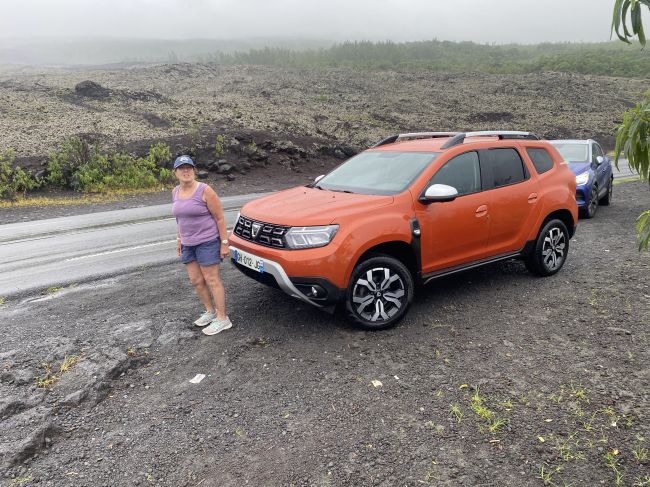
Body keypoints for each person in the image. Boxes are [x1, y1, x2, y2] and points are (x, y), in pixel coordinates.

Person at [171, 155, 232, 336]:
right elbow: (179, 219)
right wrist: (179, 239)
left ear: (194, 170)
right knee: (196, 281)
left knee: (212, 280)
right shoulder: (175, 191)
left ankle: (222, 319)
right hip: (188, 244)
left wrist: (224, 243)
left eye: (189, 167)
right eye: (181, 168)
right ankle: (210, 312)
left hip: (207, 241)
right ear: (175, 172)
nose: (185, 171)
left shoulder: (205, 190)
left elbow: (219, 218)